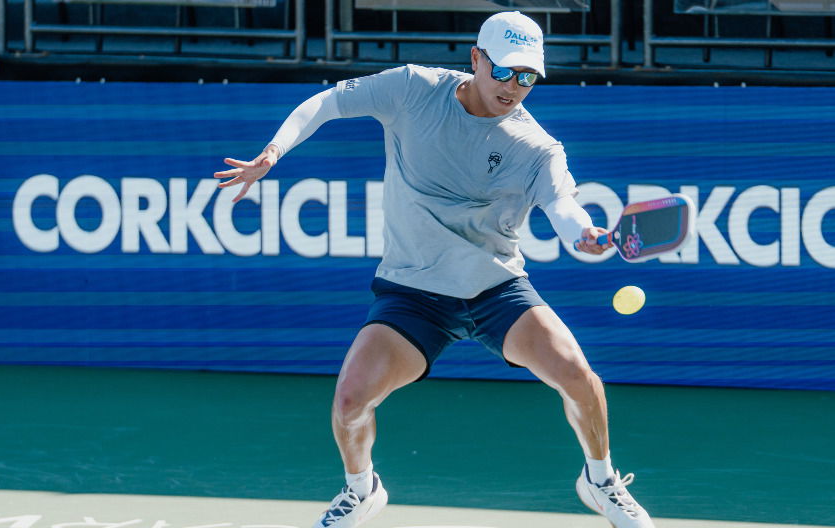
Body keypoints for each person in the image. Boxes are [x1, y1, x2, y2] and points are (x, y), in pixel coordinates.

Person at [213, 11, 654, 528]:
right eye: (505, 72)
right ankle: (362, 490)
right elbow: (328, 102)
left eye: (528, 76)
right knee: (351, 399)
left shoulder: (538, 148)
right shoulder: (412, 90)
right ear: (476, 59)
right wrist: (274, 151)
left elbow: (564, 211)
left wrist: (590, 235)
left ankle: (600, 482)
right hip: (413, 292)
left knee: (580, 377)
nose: (515, 87)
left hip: (496, 290)